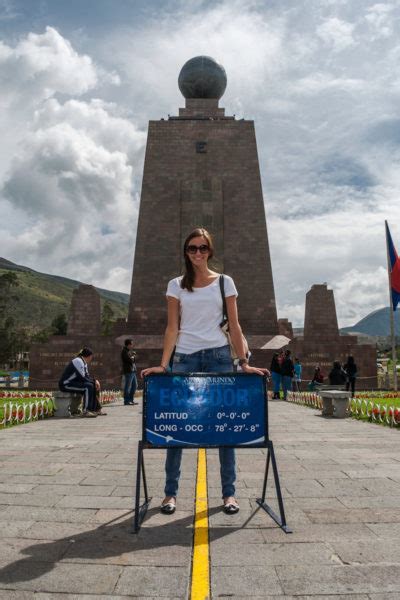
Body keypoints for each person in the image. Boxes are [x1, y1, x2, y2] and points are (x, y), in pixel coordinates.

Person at [141, 227, 269, 515]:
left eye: (202, 248)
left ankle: (229, 494)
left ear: (210, 251)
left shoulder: (225, 282)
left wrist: (244, 361)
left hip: (219, 357)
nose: (197, 253)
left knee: (224, 425)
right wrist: (164, 364)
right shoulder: (176, 285)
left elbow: (234, 325)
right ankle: (170, 494)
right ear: (186, 252)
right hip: (185, 357)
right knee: (178, 427)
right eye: (192, 248)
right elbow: (172, 326)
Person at [58, 348, 100, 418]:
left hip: (73, 383)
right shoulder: (78, 361)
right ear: (89, 356)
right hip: (66, 384)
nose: (91, 358)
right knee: (88, 387)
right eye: (91, 357)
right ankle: (86, 411)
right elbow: (82, 377)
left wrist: (95, 381)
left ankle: (94, 409)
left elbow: (87, 376)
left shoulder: (84, 362)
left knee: (92, 385)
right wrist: (94, 381)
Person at [121, 339, 138, 406]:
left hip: (133, 371)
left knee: (135, 385)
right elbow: (130, 360)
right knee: (128, 386)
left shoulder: (129, 351)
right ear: (128, 345)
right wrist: (133, 356)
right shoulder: (124, 351)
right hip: (128, 371)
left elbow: (133, 360)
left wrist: (133, 356)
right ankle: (126, 401)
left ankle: (131, 400)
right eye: (131, 344)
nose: (132, 345)